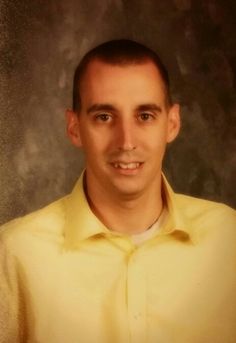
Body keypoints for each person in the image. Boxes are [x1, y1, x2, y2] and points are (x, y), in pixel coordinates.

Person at [0, 39, 235, 343]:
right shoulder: (16, 253)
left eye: (145, 116)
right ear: (74, 128)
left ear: (172, 123)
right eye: (104, 117)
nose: (126, 142)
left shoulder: (228, 241)